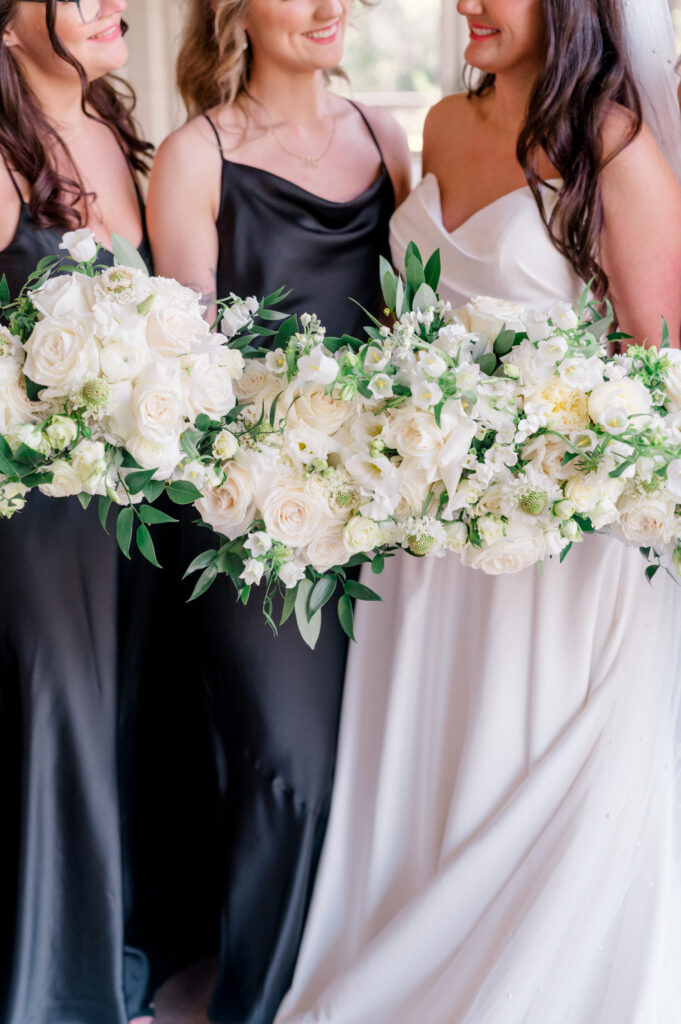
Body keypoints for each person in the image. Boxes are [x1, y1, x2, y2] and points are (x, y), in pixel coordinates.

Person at [274, 1, 681, 1022]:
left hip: (554, 545)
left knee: (526, 770)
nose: (466, 4)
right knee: (434, 768)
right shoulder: (445, 129)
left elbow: (659, 372)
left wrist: (541, 464)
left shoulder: (613, 145)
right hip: (429, 534)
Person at [145, 1, 410, 1022]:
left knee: (374, 767)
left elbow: (409, 329)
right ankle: (260, 1003)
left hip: (380, 514)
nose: (326, 5)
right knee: (294, 770)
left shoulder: (386, 138)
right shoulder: (195, 154)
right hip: (252, 520)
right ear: (235, 14)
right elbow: (193, 362)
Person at [0, 2, 155, 1022]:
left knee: (118, 722)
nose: (112, 3)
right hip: (35, 502)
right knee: (58, 718)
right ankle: (57, 989)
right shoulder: (3, 154)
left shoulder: (109, 124)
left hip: (124, 502)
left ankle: (105, 953)